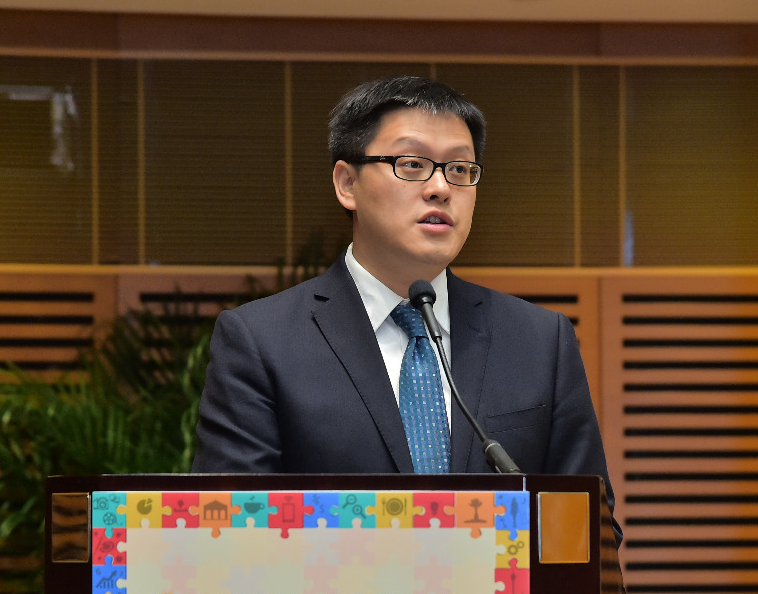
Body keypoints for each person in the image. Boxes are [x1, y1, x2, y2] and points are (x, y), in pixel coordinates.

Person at [192, 75, 619, 542]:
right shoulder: (262, 341)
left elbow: (588, 531)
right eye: (412, 164)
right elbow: (232, 535)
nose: (440, 187)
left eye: (460, 168)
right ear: (347, 183)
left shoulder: (539, 340)